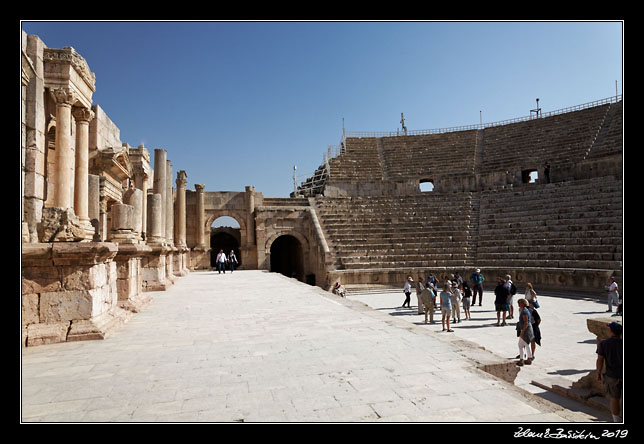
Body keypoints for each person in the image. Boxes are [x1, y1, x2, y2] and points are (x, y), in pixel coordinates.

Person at [596, 322, 623, 422]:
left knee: (614, 398)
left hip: (612, 375)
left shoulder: (604, 344)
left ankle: (616, 420)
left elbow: (600, 360)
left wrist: (598, 373)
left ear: (611, 331)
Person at [515, 298, 534, 366]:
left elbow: (526, 322)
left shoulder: (524, 311)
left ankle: (521, 360)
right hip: (528, 328)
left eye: (519, 303)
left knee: (520, 345)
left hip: (526, 329)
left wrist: (522, 332)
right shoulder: (525, 310)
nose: (518, 304)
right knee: (526, 344)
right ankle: (529, 358)